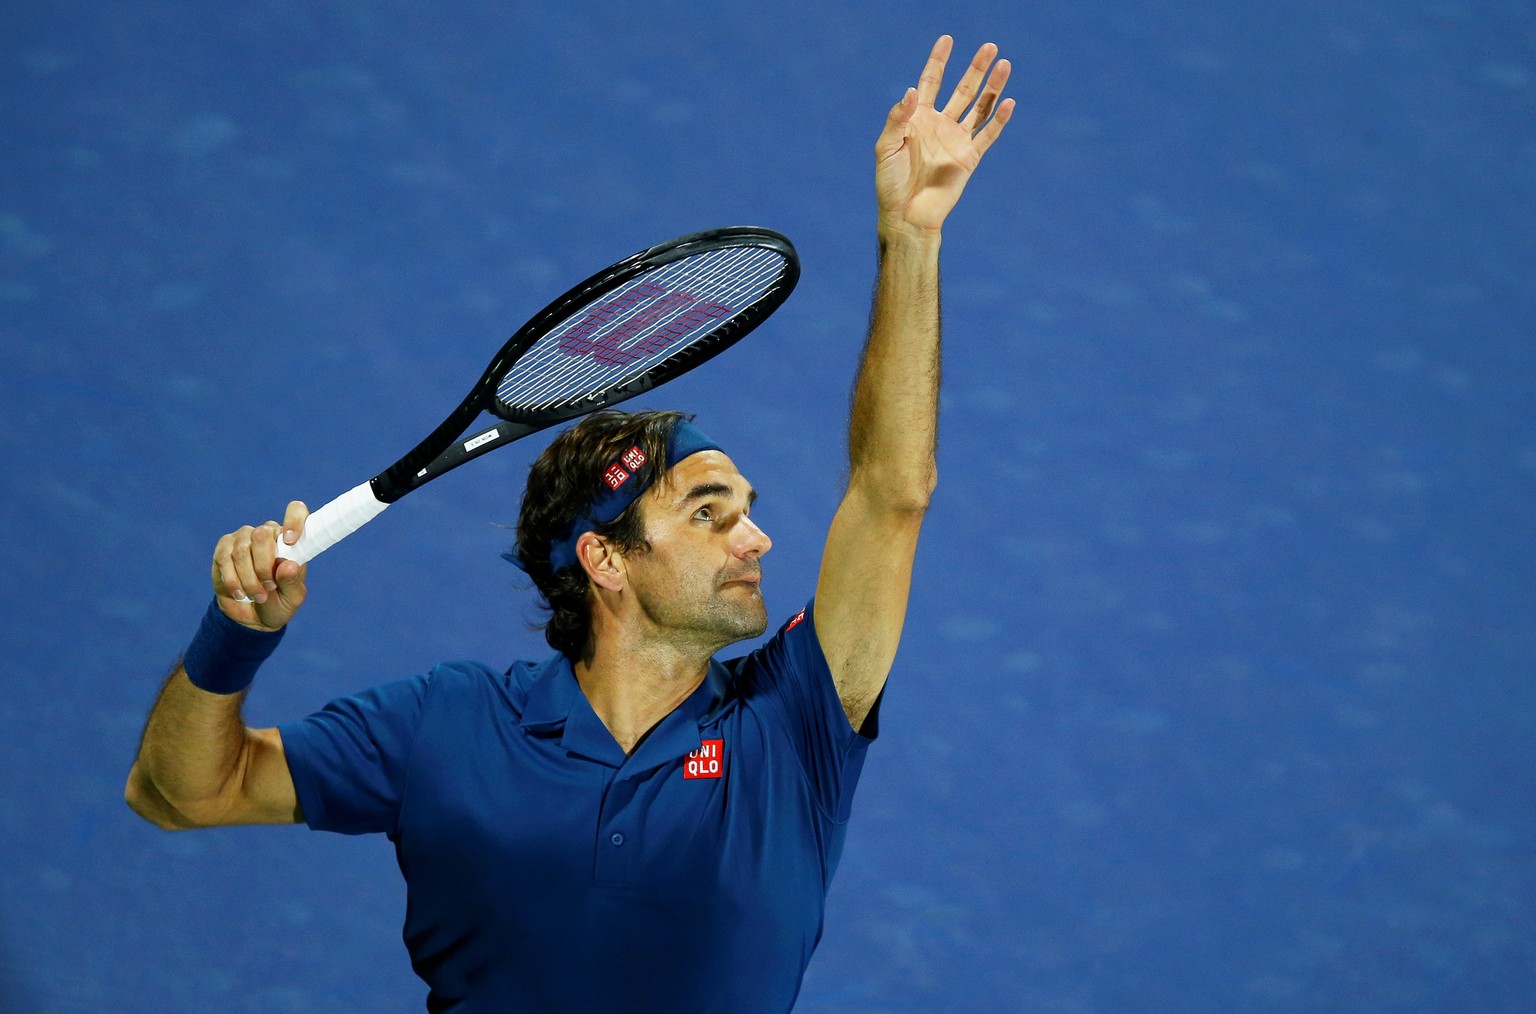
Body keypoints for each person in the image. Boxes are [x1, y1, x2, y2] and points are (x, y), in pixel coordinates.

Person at [126, 35, 1013, 1013]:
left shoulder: (798, 723)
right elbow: (181, 791)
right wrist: (234, 638)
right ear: (605, 559)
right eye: (709, 513)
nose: (757, 540)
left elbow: (892, 490)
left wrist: (911, 239)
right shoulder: (446, 725)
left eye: (749, 514)